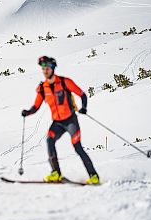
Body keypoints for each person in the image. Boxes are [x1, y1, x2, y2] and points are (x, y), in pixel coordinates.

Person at [22, 56, 100, 184]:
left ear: (52, 68)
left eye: (47, 68)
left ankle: (94, 176)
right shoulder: (42, 88)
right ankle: (56, 173)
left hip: (70, 121)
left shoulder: (65, 82)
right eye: (43, 68)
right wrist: (28, 112)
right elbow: (36, 106)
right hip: (57, 123)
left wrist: (84, 107)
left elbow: (82, 94)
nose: (45, 71)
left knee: (77, 147)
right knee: (49, 140)